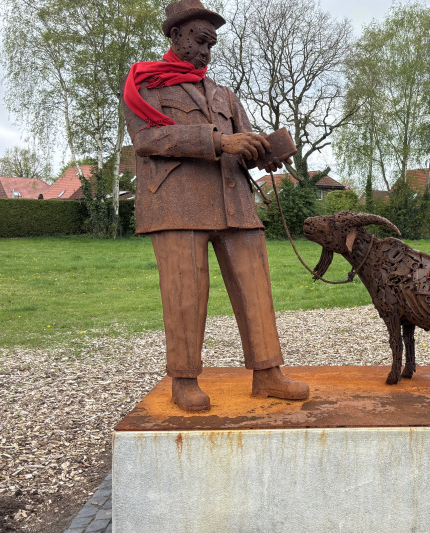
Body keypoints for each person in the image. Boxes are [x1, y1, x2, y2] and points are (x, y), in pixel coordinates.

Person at [123, 0, 309, 412]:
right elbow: (148, 141)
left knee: (255, 286)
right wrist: (218, 141)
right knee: (185, 291)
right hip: (177, 204)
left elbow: (243, 142)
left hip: (234, 201)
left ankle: (268, 373)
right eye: (199, 40)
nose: (206, 50)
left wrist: (265, 150)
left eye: (212, 42)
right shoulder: (145, 86)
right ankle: (184, 379)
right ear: (176, 36)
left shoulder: (224, 94)